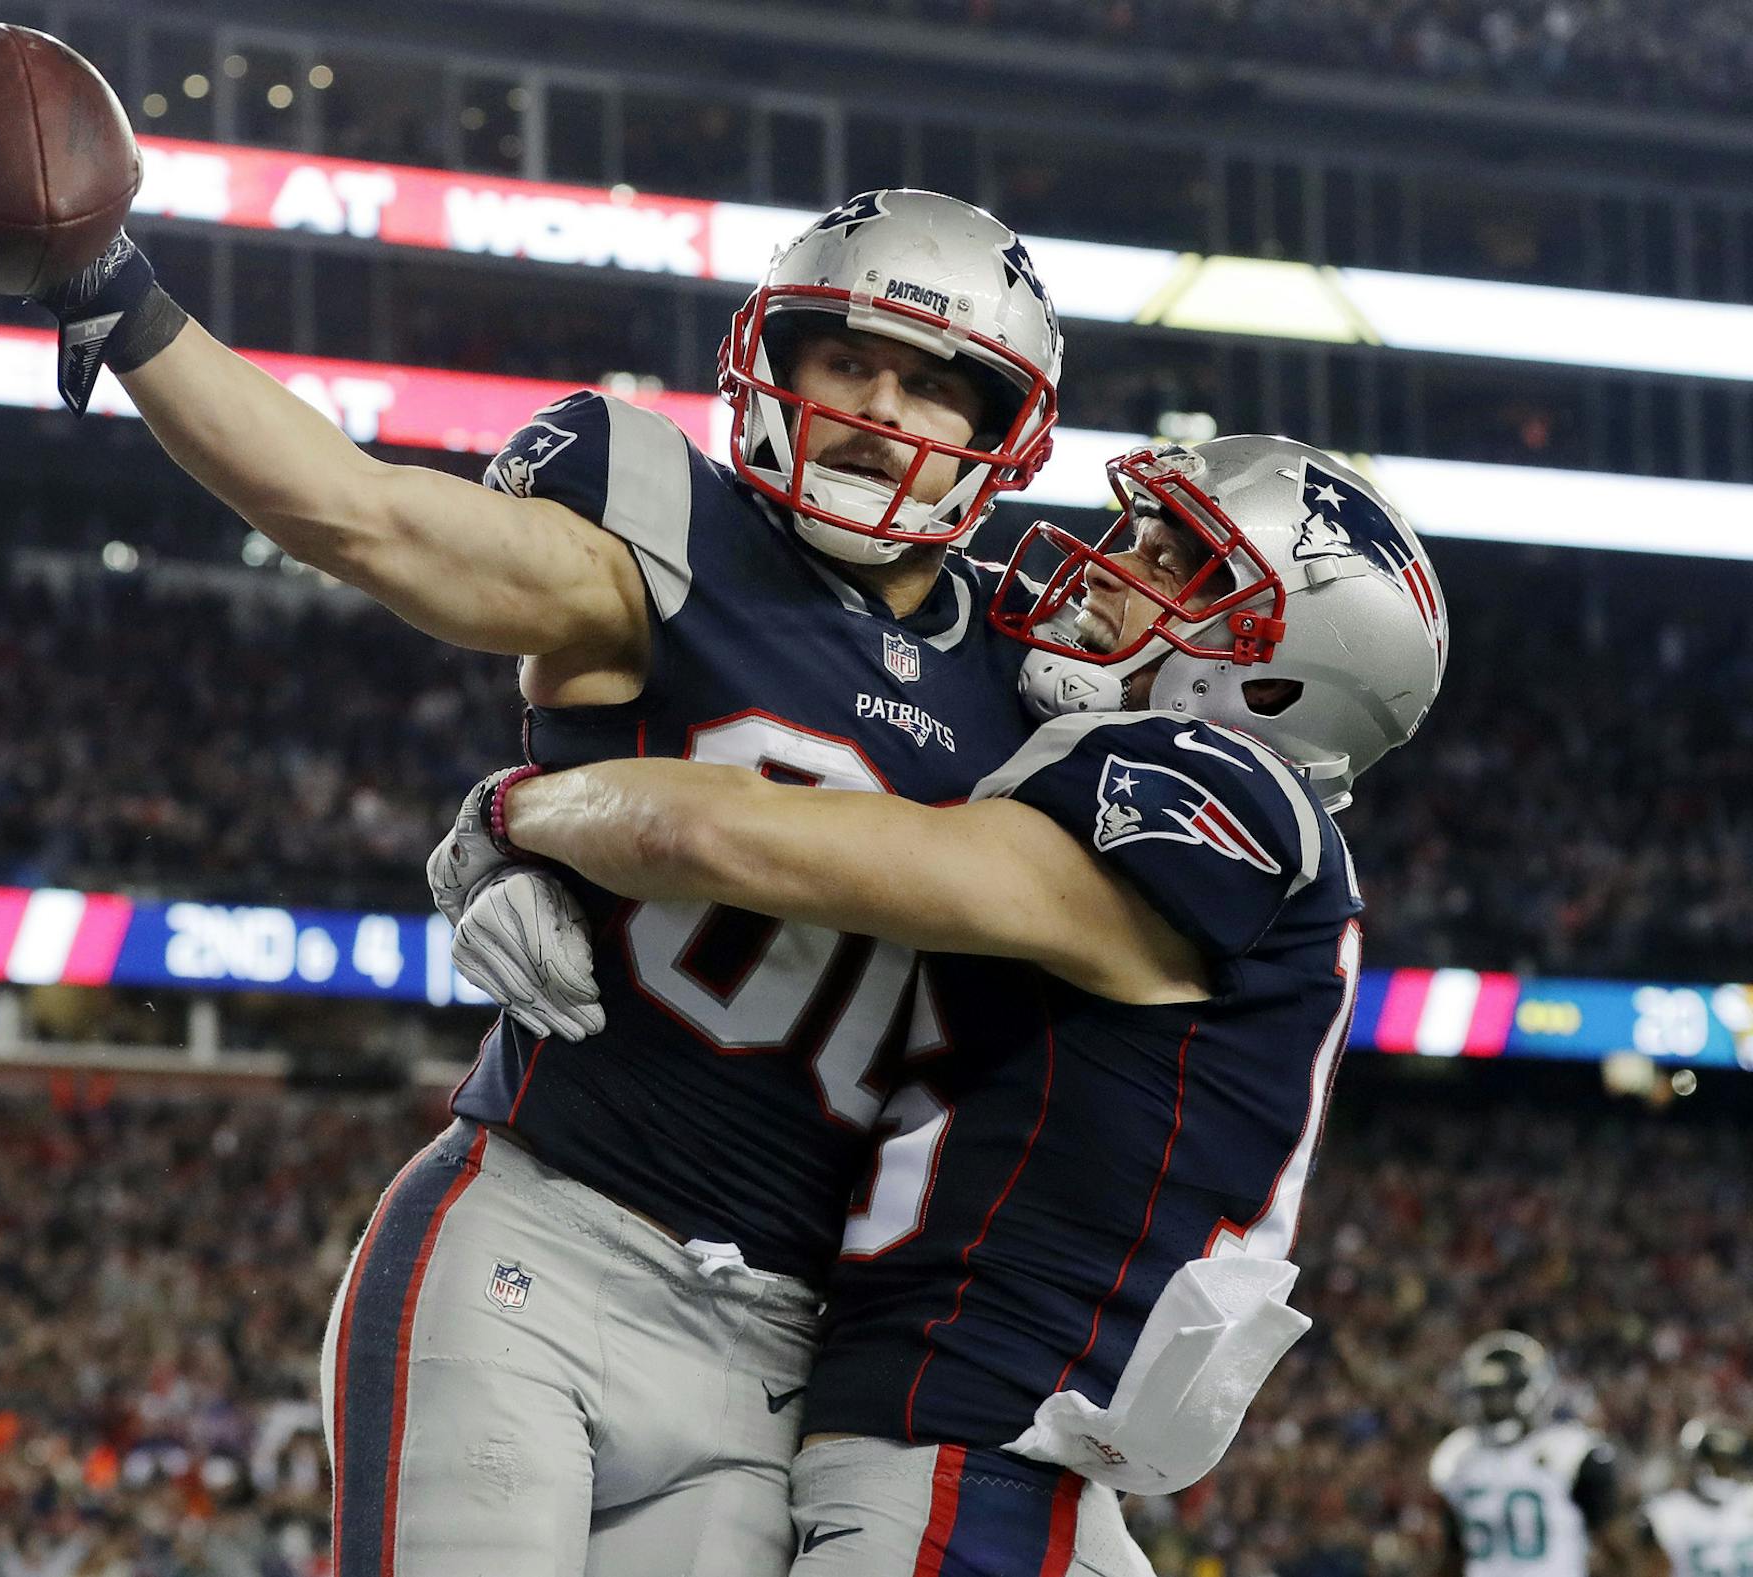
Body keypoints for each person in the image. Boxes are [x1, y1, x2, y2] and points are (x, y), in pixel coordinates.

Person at [0, 170, 1064, 1576]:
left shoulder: (1043, 684)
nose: (881, 410)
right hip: (544, 1248)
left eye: (935, 385)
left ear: (1001, 435)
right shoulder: (664, 545)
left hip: (787, 1345)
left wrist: (526, 810)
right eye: (849, 358)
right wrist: (121, 300)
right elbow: (364, 517)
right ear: (772, 356)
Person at [434, 436, 1447, 1573]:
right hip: (977, 1452)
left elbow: (741, 833)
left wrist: (526, 804)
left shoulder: (1229, 790)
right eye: (1142, 535)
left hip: (973, 1455)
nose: (1114, 567)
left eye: (1176, 562)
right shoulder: (1144, 806)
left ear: (1274, 676)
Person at [1429, 1331, 1619, 1577]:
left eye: (1504, 1393)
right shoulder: (1459, 1457)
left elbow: (1610, 1543)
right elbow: (1454, 1550)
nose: (1495, 1404)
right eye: (1488, 1394)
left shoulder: (1571, 1452)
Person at [1636, 1421, 1753, 1577]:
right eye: (1715, 1463)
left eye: (1725, 1464)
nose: (1718, 1474)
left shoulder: (1747, 1501)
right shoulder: (1668, 1512)